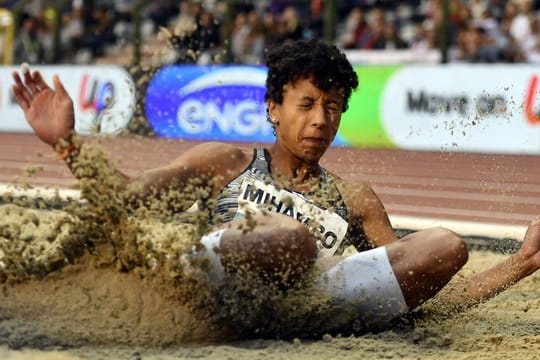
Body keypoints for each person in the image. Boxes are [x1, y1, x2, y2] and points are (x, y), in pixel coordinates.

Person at [11, 39, 540, 335]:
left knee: (447, 244)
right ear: (273, 108)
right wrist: (67, 144)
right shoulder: (228, 161)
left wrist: (521, 263)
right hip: (213, 288)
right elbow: (127, 198)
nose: (320, 120)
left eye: (332, 108)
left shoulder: (355, 199)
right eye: (306, 104)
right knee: (285, 238)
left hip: (307, 307)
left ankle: (292, 318)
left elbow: (419, 299)